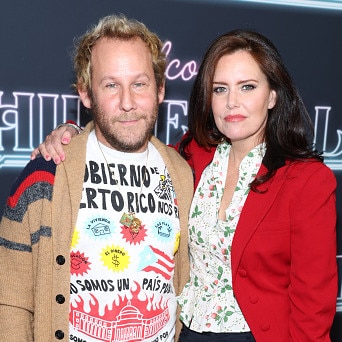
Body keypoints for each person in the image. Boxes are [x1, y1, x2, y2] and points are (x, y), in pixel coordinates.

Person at [31, 29, 338, 341]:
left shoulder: (308, 181)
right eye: (220, 89)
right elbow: (126, 142)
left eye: (247, 87)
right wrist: (69, 131)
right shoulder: (193, 155)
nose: (232, 102)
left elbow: (313, 304)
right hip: (188, 332)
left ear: (272, 95)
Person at [0, 14, 194, 342]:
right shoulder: (47, 173)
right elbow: (10, 299)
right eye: (111, 85)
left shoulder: (180, 174)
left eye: (140, 83)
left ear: (160, 89)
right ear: (86, 94)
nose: (128, 103)